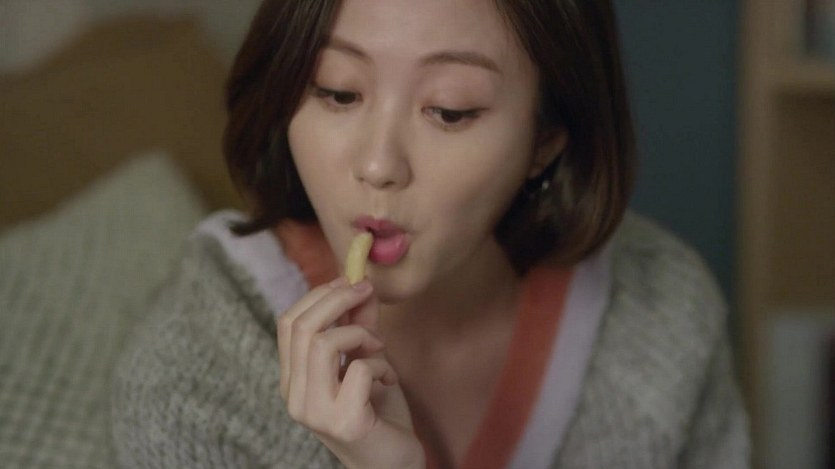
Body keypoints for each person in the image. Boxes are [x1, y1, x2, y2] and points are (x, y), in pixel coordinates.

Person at [111, 0, 751, 468]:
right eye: (338, 92)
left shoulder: (665, 315)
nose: (378, 165)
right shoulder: (189, 381)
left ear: (545, 142)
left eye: (449, 110)